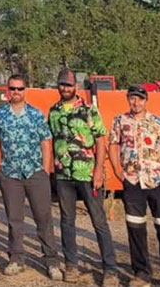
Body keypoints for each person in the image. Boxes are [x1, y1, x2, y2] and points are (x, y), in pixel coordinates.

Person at [108, 85, 160, 287]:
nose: (136, 103)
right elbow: (113, 144)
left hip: (156, 181)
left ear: (146, 100)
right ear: (128, 99)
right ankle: (141, 273)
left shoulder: (158, 122)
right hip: (132, 181)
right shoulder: (120, 121)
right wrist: (117, 170)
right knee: (136, 228)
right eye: (133, 98)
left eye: (140, 99)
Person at [48, 69, 118, 286]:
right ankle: (71, 266)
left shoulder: (89, 110)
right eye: (61, 85)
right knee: (67, 222)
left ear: (75, 87)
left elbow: (100, 141)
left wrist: (99, 170)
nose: (65, 89)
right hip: (63, 175)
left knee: (99, 221)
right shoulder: (53, 111)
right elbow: (51, 141)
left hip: (87, 173)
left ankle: (110, 270)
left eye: (69, 85)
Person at [0, 74, 61, 279]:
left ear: (25, 90)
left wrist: (45, 170)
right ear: (7, 90)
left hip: (35, 173)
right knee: (14, 219)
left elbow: (46, 142)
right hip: (10, 173)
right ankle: (16, 259)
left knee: (43, 218)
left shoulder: (36, 115)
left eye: (20, 89)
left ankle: (52, 261)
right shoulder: (0, 115)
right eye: (12, 88)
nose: (16, 92)